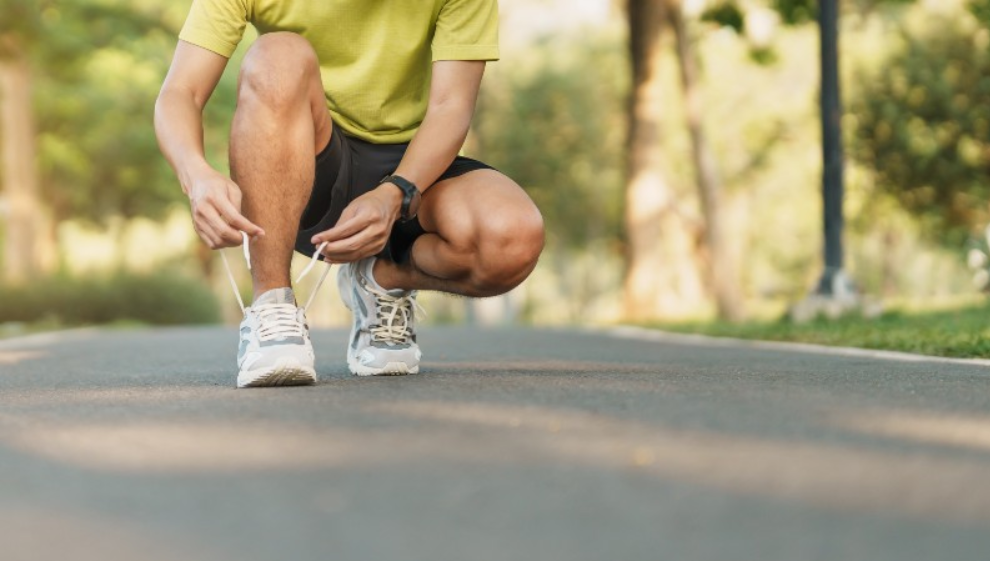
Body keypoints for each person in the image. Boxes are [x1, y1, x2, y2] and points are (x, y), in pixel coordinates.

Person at [154, 0, 544, 388]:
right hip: (307, 166)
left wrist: (396, 191)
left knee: (511, 240)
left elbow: (450, 106)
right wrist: (196, 176)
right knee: (277, 54)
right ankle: (272, 310)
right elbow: (181, 92)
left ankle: (380, 278)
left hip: (415, 163)